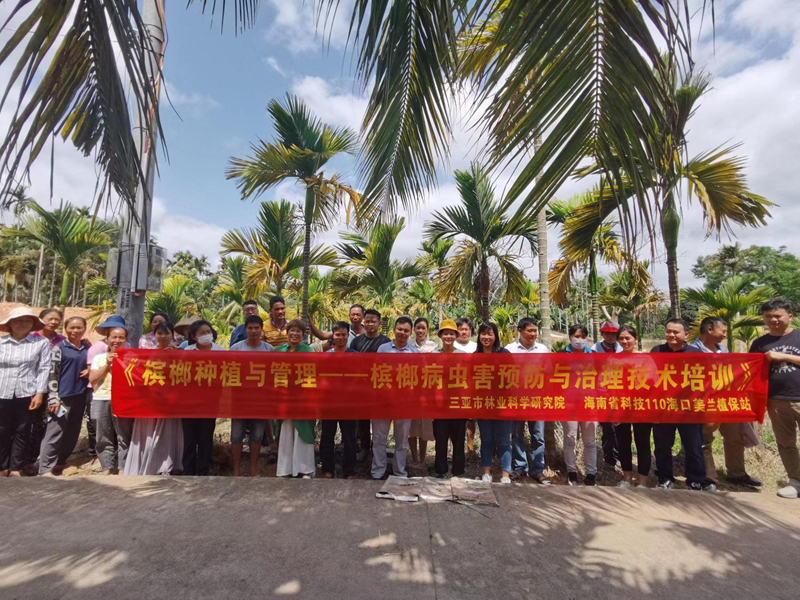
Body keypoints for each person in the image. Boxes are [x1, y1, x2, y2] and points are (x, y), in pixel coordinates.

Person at [692, 316, 762, 488]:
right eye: (722, 331)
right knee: (705, 440)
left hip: (727, 402)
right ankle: (709, 478)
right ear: (710, 330)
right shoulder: (691, 351)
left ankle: (736, 474)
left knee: (734, 436)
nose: (725, 334)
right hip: (705, 403)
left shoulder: (723, 349)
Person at [651, 318, 715, 492]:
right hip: (664, 408)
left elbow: (706, 381)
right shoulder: (656, 351)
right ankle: (665, 478)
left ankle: (695, 480)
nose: (671, 335)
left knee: (693, 446)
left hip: (689, 409)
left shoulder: (696, 354)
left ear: (686, 334)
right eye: (668, 331)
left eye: (675, 332)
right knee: (662, 446)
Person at [750, 300, 800, 499]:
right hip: (776, 400)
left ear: (790, 316)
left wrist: (783, 357)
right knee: (785, 443)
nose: (773, 320)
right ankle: (796, 481)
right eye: (768, 316)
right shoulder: (759, 343)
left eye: (778, 315)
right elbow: (749, 370)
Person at [125, 322, 185, 476]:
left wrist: (175, 355)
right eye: (160, 333)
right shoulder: (146, 354)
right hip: (151, 400)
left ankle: (167, 465)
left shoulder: (180, 353)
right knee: (149, 433)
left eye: (166, 333)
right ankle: (148, 464)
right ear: (154, 335)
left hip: (170, 400)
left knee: (168, 433)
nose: (163, 336)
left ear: (172, 335)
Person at [0, 307, 51, 477]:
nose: (22, 324)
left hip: (26, 392)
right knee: (2, 430)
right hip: (2, 392)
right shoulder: (1, 343)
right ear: (10, 324)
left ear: (32, 325)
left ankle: (16, 468)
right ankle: (2, 467)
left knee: (22, 430)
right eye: (18, 321)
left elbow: (44, 369)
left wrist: (39, 393)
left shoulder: (41, 343)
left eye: (27, 321)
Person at [39, 316, 90, 476]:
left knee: (72, 431)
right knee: (55, 431)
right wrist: (53, 397)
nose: (75, 331)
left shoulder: (87, 348)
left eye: (79, 328)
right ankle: (45, 468)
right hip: (61, 399)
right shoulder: (59, 348)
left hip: (79, 397)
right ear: (65, 329)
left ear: (84, 329)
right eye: (71, 328)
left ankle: (60, 462)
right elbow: (52, 374)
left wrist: (90, 371)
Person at [371, 316, 418, 479]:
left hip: (405, 403)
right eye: (400, 329)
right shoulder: (383, 349)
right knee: (378, 438)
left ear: (410, 333)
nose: (402, 333)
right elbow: (377, 374)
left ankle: (399, 471)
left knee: (402, 441)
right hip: (383, 402)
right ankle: (378, 471)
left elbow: (417, 379)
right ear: (394, 330)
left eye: (406, 331)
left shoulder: (415, 353)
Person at [229, 315, 275, 477]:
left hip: (260, 401)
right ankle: (236, 470)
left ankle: (253, 469)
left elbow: (273, 375)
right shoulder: (236, 349)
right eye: (250, 328)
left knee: (256, 435)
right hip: (239, 400)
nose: (254, 331)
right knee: (236, 435)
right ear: (246, 329)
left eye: (257, 328)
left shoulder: (269, 349)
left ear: (261, 329)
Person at [506, 317, 551, 484]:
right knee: (516, 434)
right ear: (520, 331)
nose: (533, 334)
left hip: (537, 400)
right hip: (516, 400)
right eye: (529, 331)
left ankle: (538, 470)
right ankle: (520, 467)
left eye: (535, 331)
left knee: (538, 435)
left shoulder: (543, 349)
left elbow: (549, 373)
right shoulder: (509, 350)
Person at [89, 317, 133, 475]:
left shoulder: (131, 358)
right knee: (103, 436)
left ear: (126, 339)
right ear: (107, 339)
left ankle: (123, 468)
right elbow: (92, 379)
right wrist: (107, 365)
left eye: (121, 337)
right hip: (101, 399)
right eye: (114, 337)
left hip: (123, 400)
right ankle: (107, 467)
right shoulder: (99, 358)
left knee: (124, 436)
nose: (117, 340)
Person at [182, 320, 225, 476]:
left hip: (210, 402)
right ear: (194, 336)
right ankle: (188, 471)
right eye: (202, 333)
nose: (207, 335)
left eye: (209, 331)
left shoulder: (221, 351)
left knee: (205, 438)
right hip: (189, 402)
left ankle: (203, 472)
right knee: (189, 440)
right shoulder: (187, 351)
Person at [275, 319, 316, 478]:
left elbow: (313, 375)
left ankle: (305, 469)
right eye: (291, 330)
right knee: (286, 432)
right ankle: (285, 469)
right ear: (287, 332)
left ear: (303, 333)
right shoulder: (278, 351)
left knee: (303, 433)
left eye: (298, 331)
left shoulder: (309, 351)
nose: (294, 334)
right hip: (284, 399)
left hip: (303, 399)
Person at [612, 325, 652, 488]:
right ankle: (627, 478)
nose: (625, 341)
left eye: (628, 338)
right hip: (620, 407)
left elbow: (653, 382)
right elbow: (606, 382)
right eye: (621, 338)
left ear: (635, 339)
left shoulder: (646, 359)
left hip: (641, 407)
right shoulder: (613, 359)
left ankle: (642, 480)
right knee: (623, 443)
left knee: (642, 442)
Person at [474, 321, 513, 484]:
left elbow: (512, 377)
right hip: (482, 404)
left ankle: (505, 475)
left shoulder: (505, 354)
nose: (486, 337)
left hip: (503, 404)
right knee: (486, 438)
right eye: (483, 334)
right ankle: (486, 472)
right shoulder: (475, 356)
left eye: (490, 334)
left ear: (495, 336)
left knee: (504, 440)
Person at [559, 324, 598, 486]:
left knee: (590, 441)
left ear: (587, 338)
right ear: (570, 337)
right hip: (569, 404)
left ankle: (591, 474)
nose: (579, 340)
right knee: (570, 439)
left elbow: (602, 380)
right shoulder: (561, 355)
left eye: (583, 337)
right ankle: (572, 472)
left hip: (590, 403)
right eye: (576, 336)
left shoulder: (595, 356)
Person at [350, 309, 391, 462]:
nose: (370, 324)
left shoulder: (386, 343)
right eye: (367, 321)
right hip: (361, 387)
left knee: (380, 421)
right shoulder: (357, 341)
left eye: (373, 321)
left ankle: (378, 448)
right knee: (362, 419)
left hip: (380, 387)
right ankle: (364, 448)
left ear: (379, 323)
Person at [320, 321, 358, 479]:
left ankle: (349, 472)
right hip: (329, 403)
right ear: (333, 336)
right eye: (337, 335)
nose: (340, 337)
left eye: (343, 334)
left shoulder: (355, 355)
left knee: (349, 439)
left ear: (348, 335)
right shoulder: (326, 356)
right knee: (327, 437)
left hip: (349, 404)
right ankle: (327, 470)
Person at [27, 307, 65, 468]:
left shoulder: (62, 340)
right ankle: (20, 461)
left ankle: (35, 460)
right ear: (41, 319)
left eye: (57, 319)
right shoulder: (30, 338)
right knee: (25, 425)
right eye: (50, 319)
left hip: (52, 390)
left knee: (43, 424)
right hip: (29, 388)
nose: (54, 322)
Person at [432, 320, 466, 478]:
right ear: (440, 335)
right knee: (441, 438)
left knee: (458, 439)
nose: (448, 336)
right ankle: (440, 469)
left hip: (458, 404)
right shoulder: (433, 355)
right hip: (439, 404)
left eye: (451, 333)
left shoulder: (463, 356)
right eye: (445, 333)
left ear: (456, 336)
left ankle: (458, 470)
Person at [591, 320, 621, 470]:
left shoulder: (622, 348)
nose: (610, 337)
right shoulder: (595, 348)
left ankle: (619, 456)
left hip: (620, 393)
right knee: (607, 426)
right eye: (607, 334)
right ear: (602, 334)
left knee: (621, 426)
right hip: (601, 393)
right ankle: (609, 457)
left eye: (613, 334)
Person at [408, 317, 437, 465]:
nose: (420, 330)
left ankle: (423, 459)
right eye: (418, 327)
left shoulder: (433, 347)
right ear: (414, 330)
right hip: (410, 391)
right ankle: (413, 458)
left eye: (423, 328)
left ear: (427, 330)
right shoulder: (408, 345)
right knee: (411, 426)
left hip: (426, 391)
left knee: (424, 425)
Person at [455, 317, 478, 452]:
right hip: (455, 388)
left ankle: (470, 448)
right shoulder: (451, 345)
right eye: (461, 329)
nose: (463, 332)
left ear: (470, 331)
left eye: (466, 329)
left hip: (472, 388)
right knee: (455, 420)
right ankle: (453, 449)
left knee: (470, 420)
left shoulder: (475, 346)